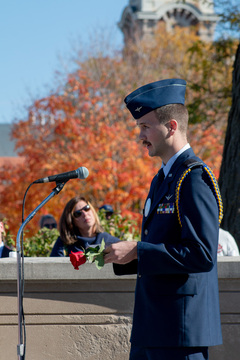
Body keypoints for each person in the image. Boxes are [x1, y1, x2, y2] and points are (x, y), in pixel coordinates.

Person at [104, 79, 223, 360]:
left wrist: (138, 250)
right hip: (154, 328)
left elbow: (202, 254)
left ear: (171, 127)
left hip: (179, 333)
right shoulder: (162, 178)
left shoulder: (193, 178)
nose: (140, 136)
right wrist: (126, 255)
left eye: (145, 127)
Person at [50, 196, 119, 257]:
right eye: (78, 213)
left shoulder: (109, 240)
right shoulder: (63, 244)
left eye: (86, 208)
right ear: (71, 221)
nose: (85, 214)